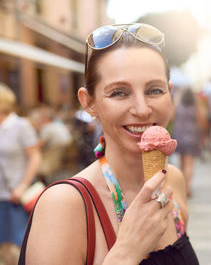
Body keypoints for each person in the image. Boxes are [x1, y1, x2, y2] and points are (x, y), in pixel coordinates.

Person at [19, 24, 199, 264]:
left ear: (170, 93)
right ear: (89, 102)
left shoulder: (173, 182)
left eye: (155, 90)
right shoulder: (64, 206)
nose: (142, 109)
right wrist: (125, 252)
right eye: (119, 93)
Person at [0, 83, 42, 264]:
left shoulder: (20, 125)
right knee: (3, 247)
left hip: (15, 196)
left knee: (19, 247)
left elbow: (35, 157)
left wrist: (23, 185)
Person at [172, 88, 205, 197]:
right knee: (189, 164)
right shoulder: (196, 108)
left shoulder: (178, 106)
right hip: (192, 138)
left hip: (179, 137)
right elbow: (202, 123)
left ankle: (182, 186)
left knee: (182, 163)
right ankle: (187, 188)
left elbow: (171, 117)